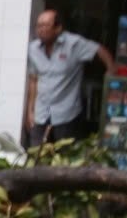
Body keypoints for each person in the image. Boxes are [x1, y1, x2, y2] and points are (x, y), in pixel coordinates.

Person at [25, 9, 118, 146]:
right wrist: (30, 111)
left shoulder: (74, 44)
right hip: (41, 113)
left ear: (58, 28)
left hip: (66, 114)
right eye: (39, 26)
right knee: (37, 154)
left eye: (46, 25)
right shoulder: (33, 49)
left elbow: (99, 50)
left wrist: (111, 71)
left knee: (66, 156)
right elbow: (33, 80)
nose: (41, 29)